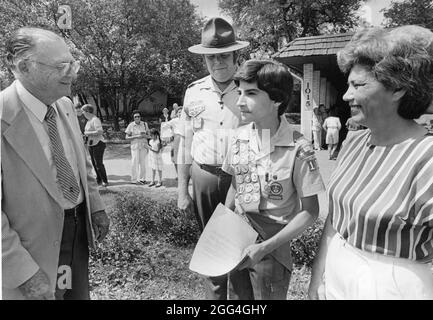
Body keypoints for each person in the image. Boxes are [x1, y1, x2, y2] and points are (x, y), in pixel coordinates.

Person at [308, 25, 433, 300]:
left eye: (359, 85)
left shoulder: (427, 158)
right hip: (337, 277)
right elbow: (335, 219)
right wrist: (318, 276)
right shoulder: (353, 142)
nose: (346, 96)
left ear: (398, 88)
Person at [1, 27, 109, 300]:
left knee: (73, 294)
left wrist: (95, 207)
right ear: (24, 67)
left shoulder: (64, 105)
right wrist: (23, 272)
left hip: (75, 234)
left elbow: (80, 164)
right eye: (62, 65)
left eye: (73, 63)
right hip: (30, 251)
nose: (73, 72)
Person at [221, 60, 325, 300]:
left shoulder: (299, 148)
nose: (239, 101)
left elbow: (310, 212)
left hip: (272, 246)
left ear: (276, 99)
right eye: (240, 93)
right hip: (238, 239)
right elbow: (235, 186)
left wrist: (265, 247)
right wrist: (224, 227)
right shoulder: (239, 139)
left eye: (251, 93)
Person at [177, 17, 249, 299]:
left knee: (242, 247)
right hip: (203, 176)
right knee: (212, 245)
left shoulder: (249, 89)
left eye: (224, 56)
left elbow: (262, 137)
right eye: (211, 58)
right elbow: (184, 143)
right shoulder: (193, 91)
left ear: (235, 56)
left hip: (241, 178)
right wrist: (182, 190)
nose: (218, 63)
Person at [82, 104, 108, 187]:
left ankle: (105, 181)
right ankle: (99, 179)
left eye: (83, 111)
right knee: (93, 163)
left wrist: (87, 133)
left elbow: (100, 131)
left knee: (98, 163)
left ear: (87, 112)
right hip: (91, 144)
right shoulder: (89, 121)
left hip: (98, 144)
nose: (83, 113)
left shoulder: (95, 120)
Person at [125, 111, 150, 185]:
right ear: (133, 118)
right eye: (135, 117)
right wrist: (136, 136)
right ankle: (134, 179)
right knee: (134, 163)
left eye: (138, 116)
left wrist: (144, 136)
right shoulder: (131, 125)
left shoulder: (145, 124)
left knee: (143, 163)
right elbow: (126, 137)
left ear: (140, 117)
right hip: (135, 146)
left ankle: (142, 179)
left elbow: (149, 136)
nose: (137, 118)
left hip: (143, 146)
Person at [166, 107, 182, 178]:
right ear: (177, 114)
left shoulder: (187, 121)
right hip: (176, 140)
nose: (180, 113)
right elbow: (166, 125)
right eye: (179, 112)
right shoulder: (174, 120)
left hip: (184, 141)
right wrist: (170, 133)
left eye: (182, 112)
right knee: (174, 158)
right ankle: (178, 174)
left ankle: (185, 175)